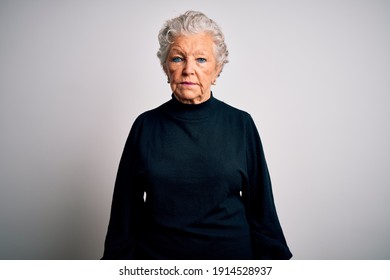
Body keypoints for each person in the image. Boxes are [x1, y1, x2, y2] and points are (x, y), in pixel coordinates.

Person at [102, 10, 292, 260]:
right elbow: (124, 215)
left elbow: (262, 209)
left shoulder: (241, 124)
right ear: (165, 67)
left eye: (201, 59)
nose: (188, 70)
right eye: (178, 58)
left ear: (217, 69)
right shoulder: (145, 126)